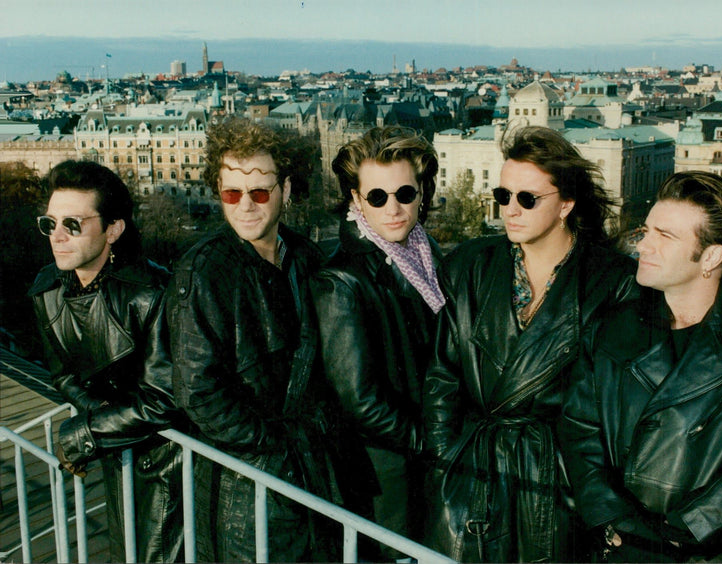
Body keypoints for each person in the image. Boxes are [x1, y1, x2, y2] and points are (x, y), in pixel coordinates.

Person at [558, 171, 722, 562]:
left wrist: (678, 532)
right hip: (624, 547)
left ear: (711, 256)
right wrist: (615, 519)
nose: (643, 244)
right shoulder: (612, 328)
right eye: (646, 230)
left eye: (665, 236)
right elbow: (579, 432)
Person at [422, 126, 636, 562]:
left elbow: (618, 408)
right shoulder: (470, 266)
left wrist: (599, 500)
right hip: (474, 477)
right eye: (503, 196)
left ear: (566, 205)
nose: (510, 210)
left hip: (560, 484)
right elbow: (442, 379)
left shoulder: (612, 280)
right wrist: (447, 463)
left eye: (527, 198)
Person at [166, 116, 332, 562]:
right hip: (245, 485)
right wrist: (275, 448)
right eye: (231, 193)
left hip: (305, 473)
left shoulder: (305, 256)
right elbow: (198, 393)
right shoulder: (202, 272)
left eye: (259, 192)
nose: (245, 206)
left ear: (286, 190)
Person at [29, 160, 183, 562]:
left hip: (170, 460)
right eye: (49, 224)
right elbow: (64, 377)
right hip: (119, 448)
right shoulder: (47, 289)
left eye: (73, 224)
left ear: (113, 230)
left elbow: (163, 399)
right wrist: (100, 423)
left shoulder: (151, 294)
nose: (57, 236)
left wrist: (86, 432)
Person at [311, 126, 445, 559]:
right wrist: (432, 441)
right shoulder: (341, 281)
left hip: (422, 460)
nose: (393, 208)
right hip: (386, 473)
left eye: (405, 193)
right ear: (356, 199)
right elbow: (360, 400)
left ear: (422, 193)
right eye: (377, 197)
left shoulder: (425, 253)